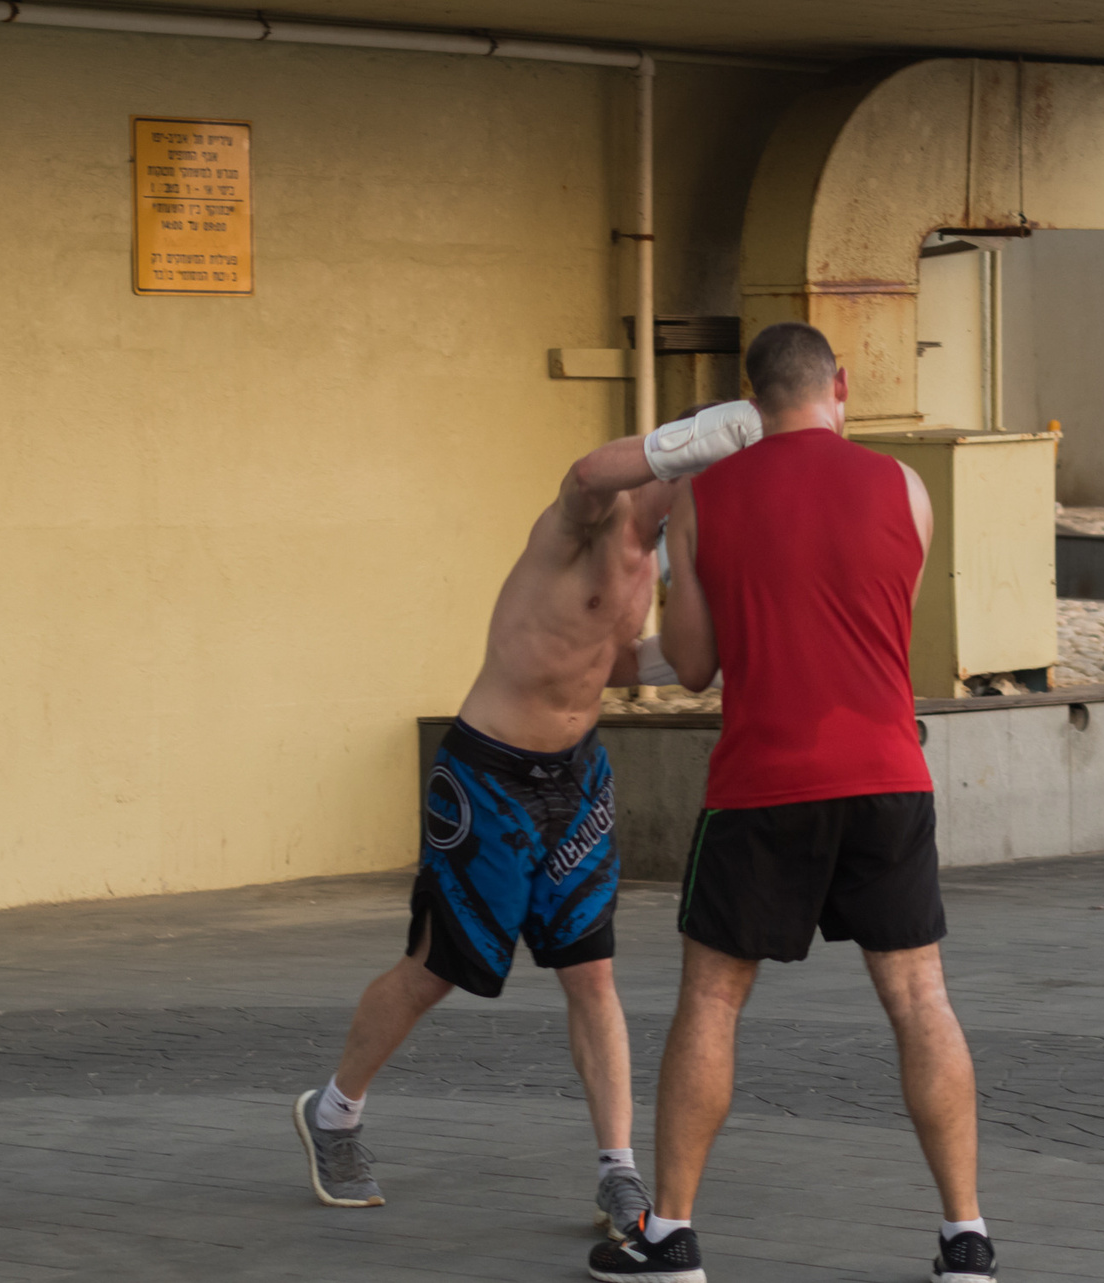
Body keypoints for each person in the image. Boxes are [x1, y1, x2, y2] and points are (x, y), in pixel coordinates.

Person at [293, 402, 767, 1239]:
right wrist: (705, 433)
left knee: (593, 974)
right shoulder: (589, 520)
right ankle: (334, 1113)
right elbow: (586, 473)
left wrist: (697, 646)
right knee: (434, 969)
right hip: (488, 776)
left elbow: (604, 655)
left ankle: (617, 1173)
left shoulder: (658, 563)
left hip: (577, 778)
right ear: (684, 471)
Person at [591, 321, 995, 1283]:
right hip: (889, 773)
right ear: (838, 387)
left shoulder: (703, 497)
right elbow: (884, 610)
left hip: (763, 783)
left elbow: (691, 667)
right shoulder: (906, 489)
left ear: (750, 399)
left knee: (713, 999)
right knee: (921, 997)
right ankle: (966, 1238)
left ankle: (672, 1235)